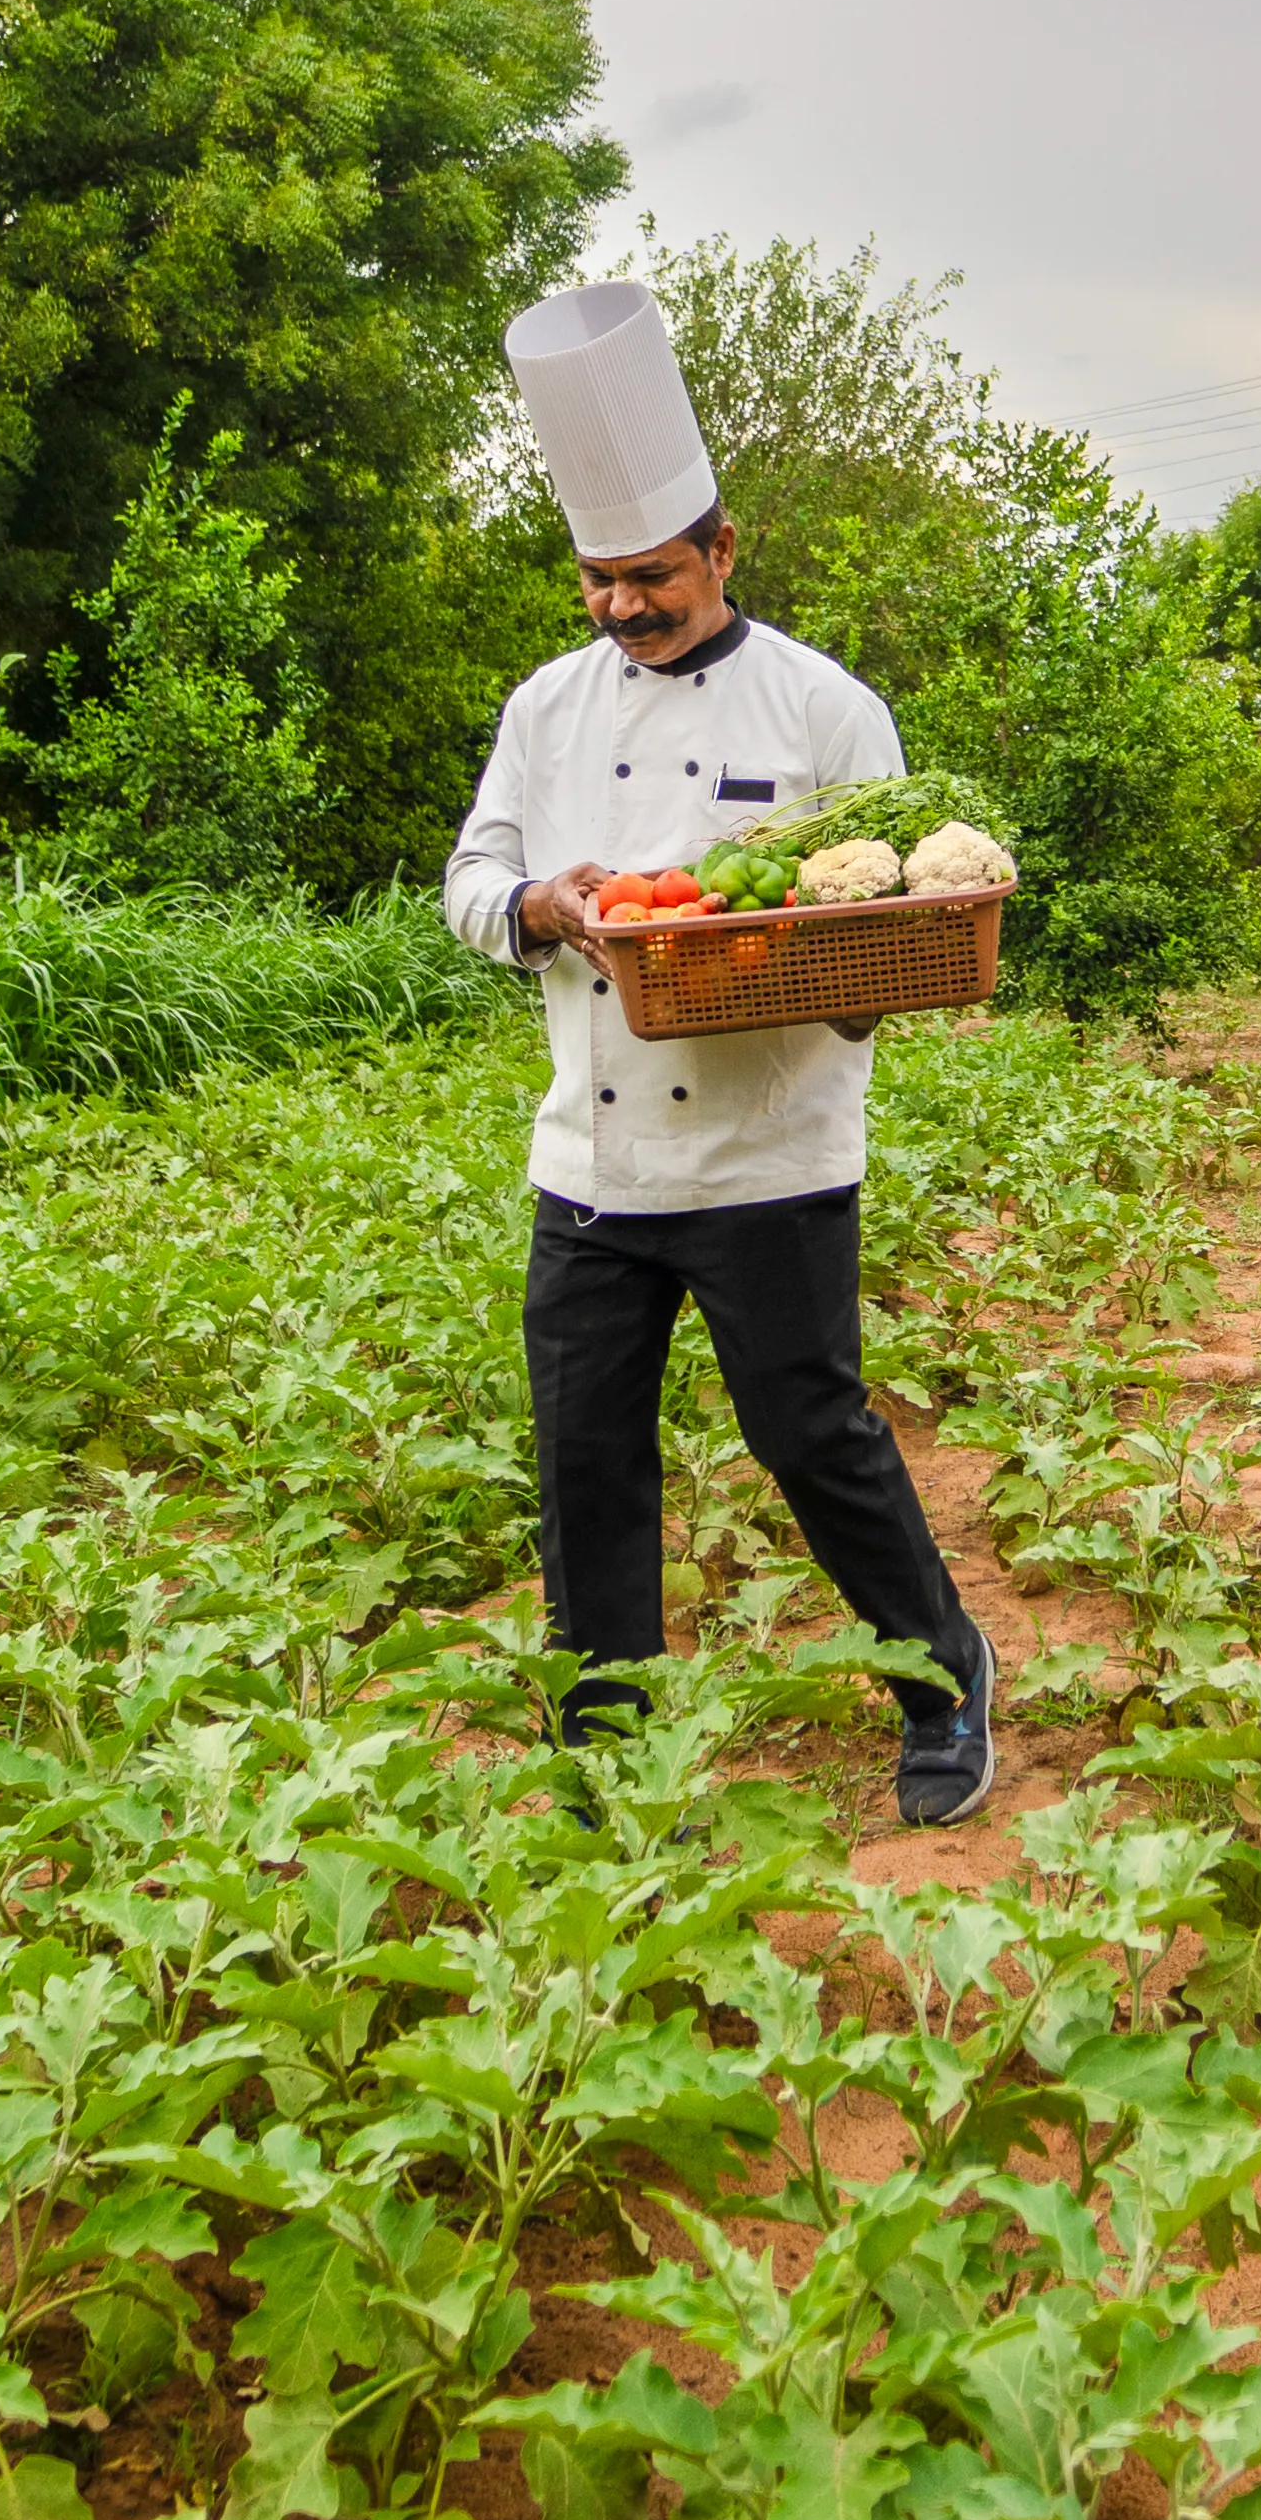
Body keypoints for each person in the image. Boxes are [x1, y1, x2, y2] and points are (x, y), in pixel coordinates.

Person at [442, 276, 1002, 1824]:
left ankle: (942, 1680)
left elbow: (882, 932)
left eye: (653, 578)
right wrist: (545, 908)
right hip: (595, 1158)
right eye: (599, 579)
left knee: (811, 1437)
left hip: (769, 1155)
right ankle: (605, 1741)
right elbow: (468, 883)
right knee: (588, 1460)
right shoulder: (543, 710)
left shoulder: (827, 710)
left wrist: (812, 968)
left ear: (723, 550)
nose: (625, 605)